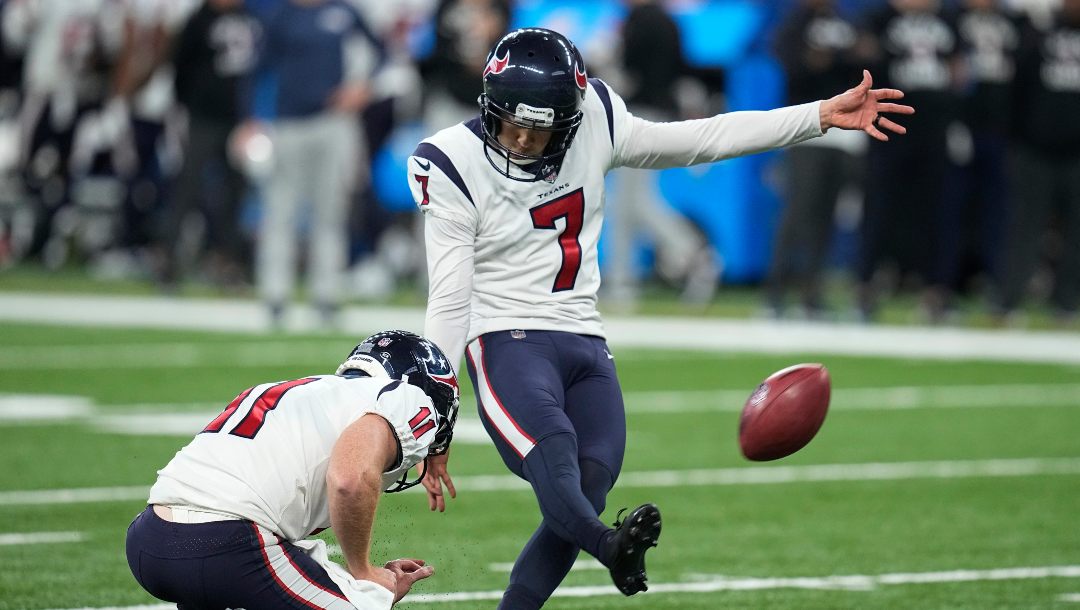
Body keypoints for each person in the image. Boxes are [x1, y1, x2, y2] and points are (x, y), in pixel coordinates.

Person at [408, 28, 912, 608]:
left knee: (591, 485)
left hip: (583, 337)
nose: (520, 139)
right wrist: (436, 414)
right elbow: (448, 298)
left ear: (570, 117)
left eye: (539, 126)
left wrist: (817, 116)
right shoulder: (449, 159)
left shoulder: (595, 115)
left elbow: (701, 139)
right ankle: (611, 548)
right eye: (509, 123)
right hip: (504, 337)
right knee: (558, 465)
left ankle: (565, 571)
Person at [125, 330, 460, 609]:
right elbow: (349, 480)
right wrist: (364, 575)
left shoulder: (294, 390)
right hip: (226, 545)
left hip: (149, 540)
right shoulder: (404, 397)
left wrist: (345, 579)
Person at [766, 0, 867, 319]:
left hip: (845, 133)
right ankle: (776, 293)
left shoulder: (847, 22)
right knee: (799, 211)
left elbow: (860, 67)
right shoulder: (795, 24)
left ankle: (812, 293)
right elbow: (796, 64)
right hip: (806, 127)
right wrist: (835, 59)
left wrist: (830, 59)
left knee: (826, 216)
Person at [994, 0, 1080, 324]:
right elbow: (1017, 89)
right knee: (1024, 228)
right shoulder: (1037, 34)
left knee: (1076, 233)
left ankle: (1068, 303)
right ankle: (1008, 300)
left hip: (1077, 154)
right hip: (1035, 150)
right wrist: (1016, 142)